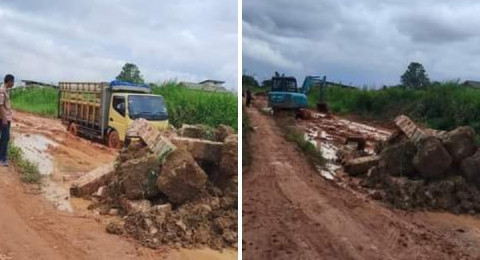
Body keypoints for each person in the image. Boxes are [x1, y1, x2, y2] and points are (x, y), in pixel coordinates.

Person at [0, 74, 14, 166]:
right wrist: (5, 119)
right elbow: (0, 105)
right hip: (3, 118)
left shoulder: (6, 90)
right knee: (5, 138)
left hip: (5, 117)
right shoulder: (2, 90)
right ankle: (3, 159)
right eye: (12, 81)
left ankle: (1, 155)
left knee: (5, 137)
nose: (13, 84)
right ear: (8, 81)